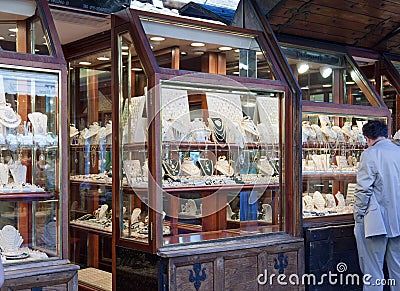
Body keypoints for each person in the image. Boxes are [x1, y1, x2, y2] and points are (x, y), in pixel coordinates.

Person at [354, 120, 400, 290]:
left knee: (373, 272)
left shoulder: (370, 154)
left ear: (367, 138)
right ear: (386, 133)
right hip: (398, 221)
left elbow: (363, 189)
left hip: (376, 222)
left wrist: (358, 215)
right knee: (398, 271)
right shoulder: (398, 151)